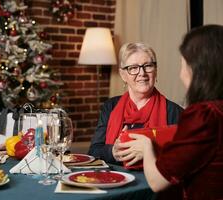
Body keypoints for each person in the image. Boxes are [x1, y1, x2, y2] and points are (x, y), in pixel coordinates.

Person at [120, 25, 223, 199]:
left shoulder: (203, 115)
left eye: (183, 64)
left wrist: (147, 147)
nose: (181, 73)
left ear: (197, 70)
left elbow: (157, 181)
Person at [88, 42, 183, 164]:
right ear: (123, 75)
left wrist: (151, 153)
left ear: (155, 71)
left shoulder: (174, 112)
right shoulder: (110, 106)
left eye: (148, 66)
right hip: (114, 180)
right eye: (133, 68)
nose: (142, 73)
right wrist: (113, 151)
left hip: (153, 182)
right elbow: (93, 152)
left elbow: (183, 158)